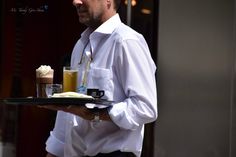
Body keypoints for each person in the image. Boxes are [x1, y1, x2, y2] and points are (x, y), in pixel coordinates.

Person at [45, 0, 157, 156]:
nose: (75, 2)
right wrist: (54, 152)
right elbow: (69, 111)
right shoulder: (80, 44)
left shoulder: (126, 41)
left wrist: (95, 114)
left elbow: (145, 107)